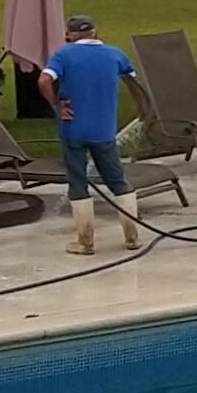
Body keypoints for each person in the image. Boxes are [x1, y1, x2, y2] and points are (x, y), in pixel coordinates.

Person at [37, 13, 146, 256]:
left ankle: (85, 242)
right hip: (104, 130)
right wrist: (141, 108)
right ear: (95, 32)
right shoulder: (114, 54)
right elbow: (134, 85)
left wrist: (56, 106)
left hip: (73, 128)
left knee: (78, 182)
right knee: (118, 181)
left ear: (69, 36)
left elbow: (44, 80)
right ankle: (132, 237)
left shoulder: (63, 54)